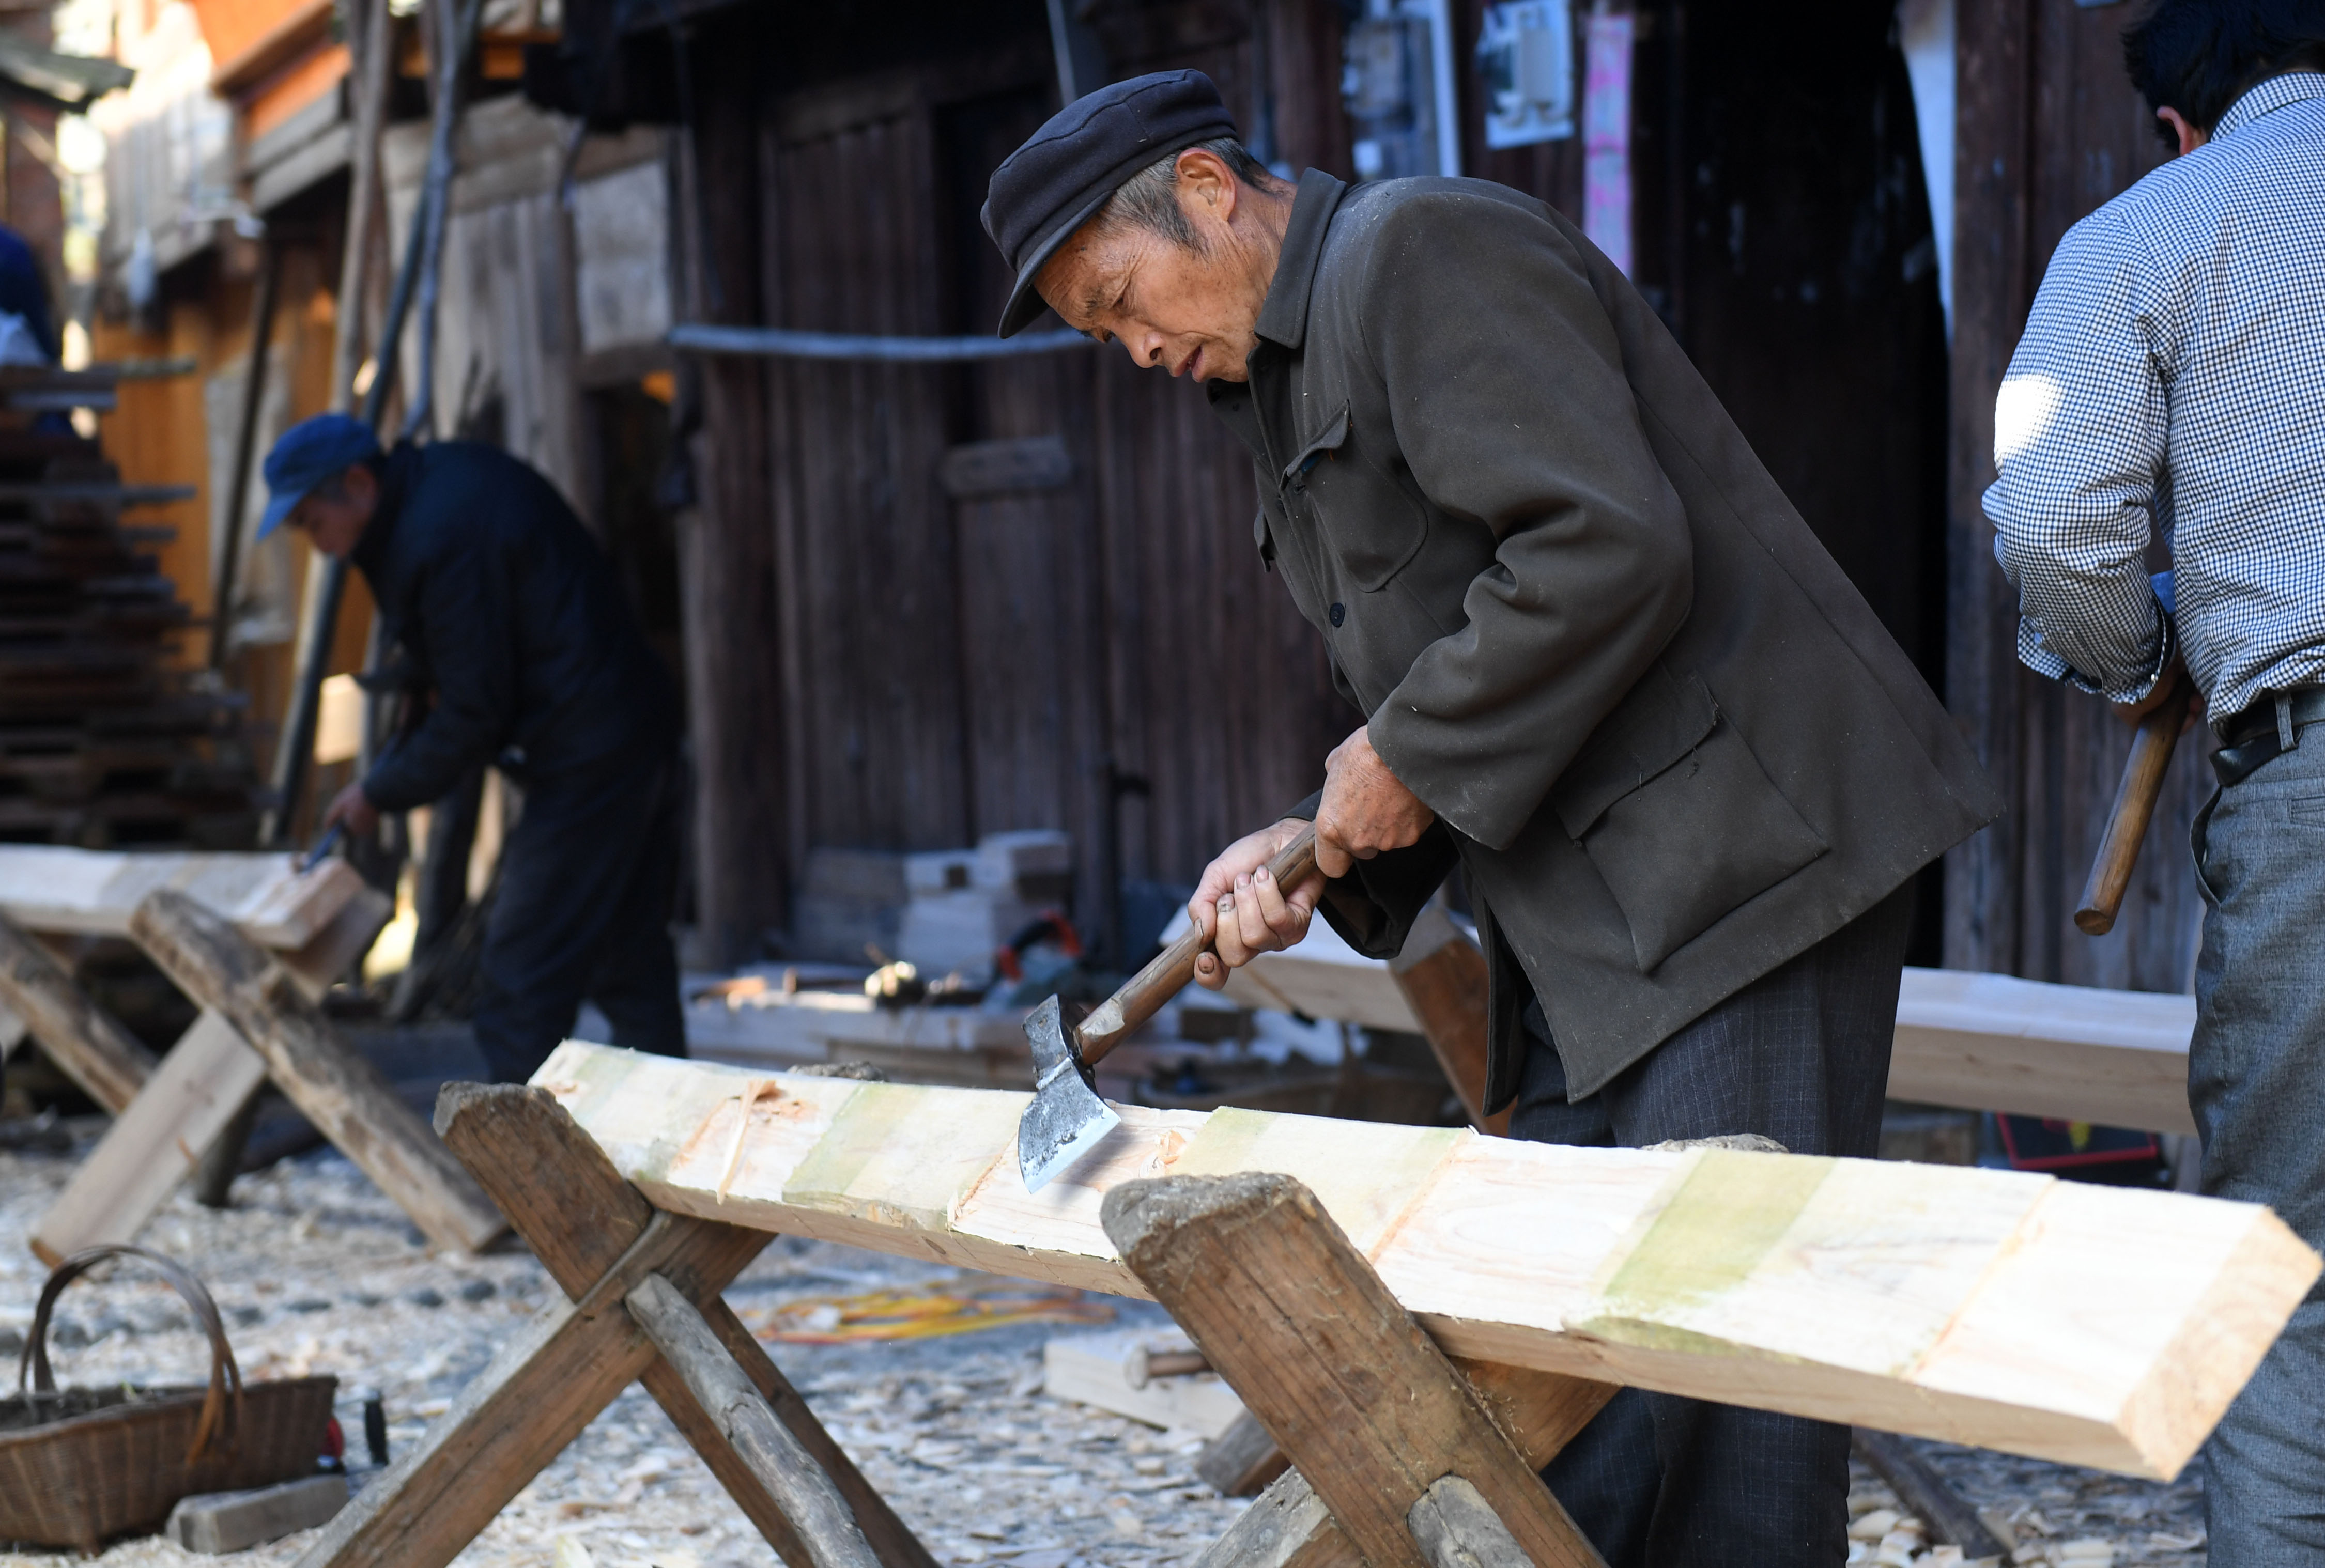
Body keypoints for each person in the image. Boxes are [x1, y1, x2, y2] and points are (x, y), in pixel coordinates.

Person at [980, 71, 1998, 1567]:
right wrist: (1302, 849)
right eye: (1101, 337)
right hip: (1596, 922)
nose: (1132, 349)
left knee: (1720, 1408)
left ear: (1204, 189)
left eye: (1121, 299)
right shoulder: (1277, 382)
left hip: (1743, 869)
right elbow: (1458, 669)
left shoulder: (1420, 254)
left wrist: (1393, 756)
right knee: (1555, 1376)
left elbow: (1602, 546)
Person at [1984, 3, 2325, 1559]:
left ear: (2184, 117)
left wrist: (2136, 656)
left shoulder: (2153, 227)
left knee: (2292, 1275)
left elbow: (2053, 513)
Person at [258, 413, 687, 1083]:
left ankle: (515, 1177)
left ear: (359, 485)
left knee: (521, 974)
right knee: (626, 959)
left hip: (592, 751)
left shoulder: (438, 534)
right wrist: (387, 773)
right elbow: (453, 684)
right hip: (618, 731)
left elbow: (470, 714)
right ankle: (670, 1148)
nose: (318, 545)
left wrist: (380, 791)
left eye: (314, 523)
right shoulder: (433, 498)